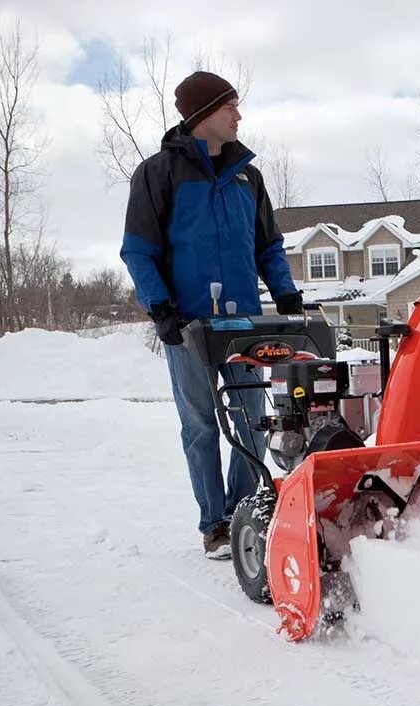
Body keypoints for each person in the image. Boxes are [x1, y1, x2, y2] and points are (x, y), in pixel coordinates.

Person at [121, 70, 304, 560]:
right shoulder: (158, 174)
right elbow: (138, 250)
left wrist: (285, 295)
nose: (239, 116)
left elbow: (268, 246)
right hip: (189, 327)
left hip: (244, 324)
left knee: (252, 422)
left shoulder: (249, 176)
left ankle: (244, 512)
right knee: (201, 425)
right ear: (204, 115)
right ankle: (214, 525)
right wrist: (161, 309)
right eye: (231, 108)